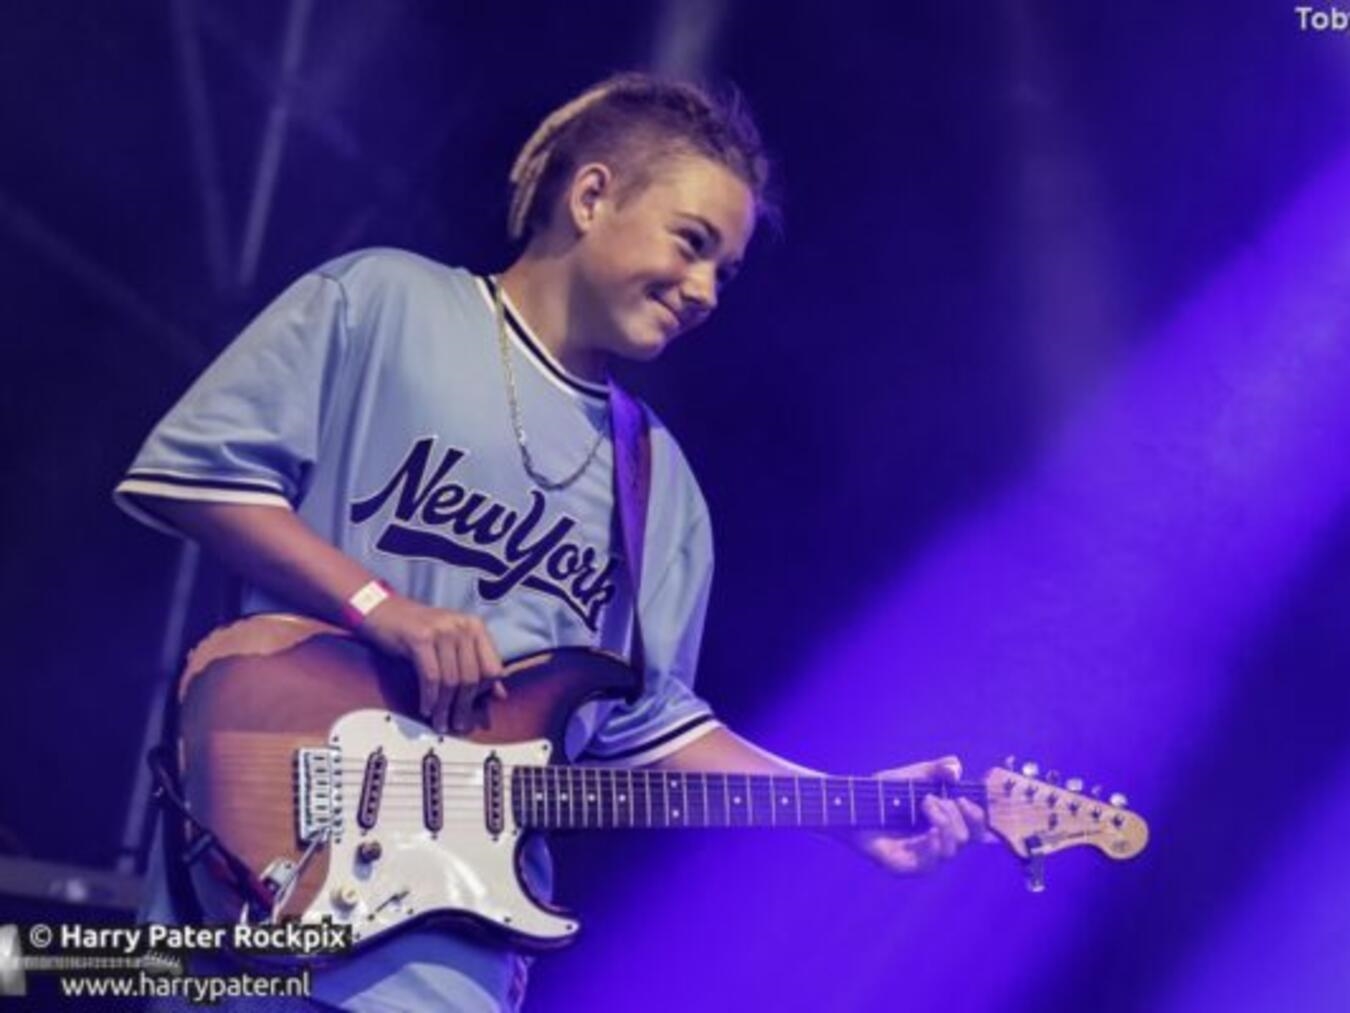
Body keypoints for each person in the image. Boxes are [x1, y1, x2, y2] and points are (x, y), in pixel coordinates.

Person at [115, 72, 988, 1012]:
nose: (703, 291)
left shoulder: (662, 482)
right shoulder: (385, 301)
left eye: (724, 273)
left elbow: (646, 727)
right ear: (593, 194)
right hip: (253, 892)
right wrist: (383, 609)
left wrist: (839, 807)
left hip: (448, 965)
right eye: (692, 245)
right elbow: (197, 476)